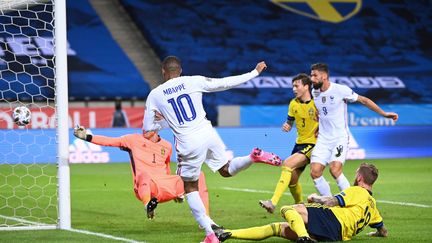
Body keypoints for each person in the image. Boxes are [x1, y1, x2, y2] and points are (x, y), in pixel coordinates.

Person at [143, 56, 282, 243]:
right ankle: (252, 157)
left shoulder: (156, 95)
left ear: (163, 71)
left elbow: (147, 128)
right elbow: (224, 83)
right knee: (226, 169)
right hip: (208, 133)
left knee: (190, 187)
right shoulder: (194, 80)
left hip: (188, 141)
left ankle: (211, 235)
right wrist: (254, 72)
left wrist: (161, 120)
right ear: (180, 70)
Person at [213, 163, 388, 243]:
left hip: (332, 220)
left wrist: (316, 198)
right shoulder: (373, 208)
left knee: (288, 209)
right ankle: (227, 234)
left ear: (358, 177)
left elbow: (332, 201)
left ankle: (304, 238)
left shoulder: (356, 190)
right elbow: (383, 230)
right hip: (335, 236)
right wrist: (377, 234)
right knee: (277, 228)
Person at [73, 125, 210, 219]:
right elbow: (109, 141)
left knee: (199, 175)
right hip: (147, 188)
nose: (144, 128)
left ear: (156, 128)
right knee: (144, 174)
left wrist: (176, 192)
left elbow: (166, 168)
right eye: (144, 125)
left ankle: (206, 218)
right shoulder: (132, 140)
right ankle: (148, 206)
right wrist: (86, 136)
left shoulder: (167, 146)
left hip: (164, 187)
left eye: (148, 126)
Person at [309, 63, 398, 196]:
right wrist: (318, 124)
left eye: (315, 75)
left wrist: (384, 114)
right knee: (315, 172)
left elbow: (364, 100)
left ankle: (353, 201)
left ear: (324, 76)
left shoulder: (340, 90)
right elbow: (321, 110)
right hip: (323, 139)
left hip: (339, 138)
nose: (312, 78)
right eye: (311, 75)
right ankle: (328, 204)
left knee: (335, 170)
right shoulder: (314, 91)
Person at [260, 73, 318, 213]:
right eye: (292, 86)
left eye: (296, 85)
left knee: (287, 164)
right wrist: (287, 125)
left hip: (313, 144)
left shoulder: (317, 102)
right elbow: (290, 121)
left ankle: (272, 202)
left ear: (306, 86)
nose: (293, 88)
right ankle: (301, 206)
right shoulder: (293, 103)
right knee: (292, 180)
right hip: (299, 144)